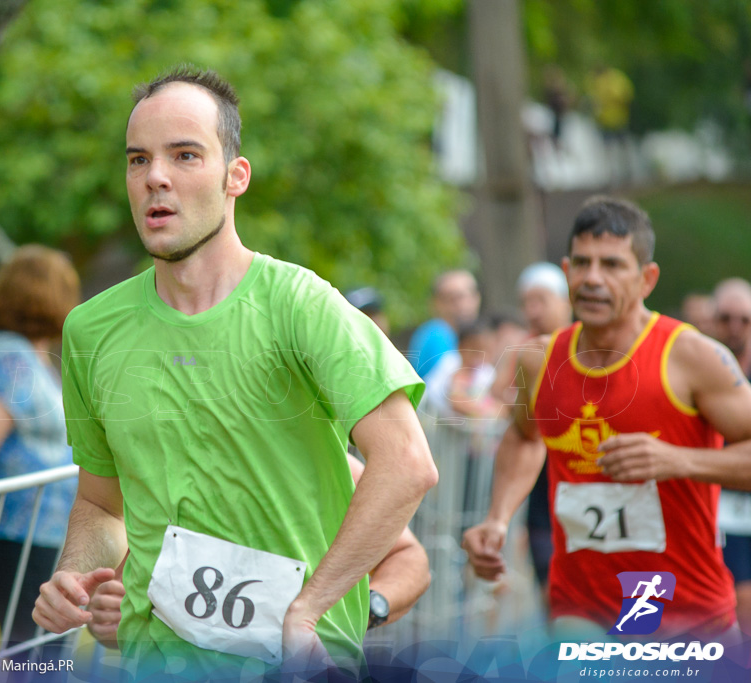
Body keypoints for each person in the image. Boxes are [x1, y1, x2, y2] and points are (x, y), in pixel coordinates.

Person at [32, 66, 437, 679]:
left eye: (185, 155)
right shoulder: (90, 330)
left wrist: (309, 610)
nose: (156, 178)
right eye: (138, 160)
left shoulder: (301, 305)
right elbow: (99, 504)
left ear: (234, 176)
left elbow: (407, 462)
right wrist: (72, 574)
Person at [462, 196, 751, 640]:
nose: (593, 279)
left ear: (646, 278)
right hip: (581, 612)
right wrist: (498, 517)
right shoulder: (537, 359)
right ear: (566, 271)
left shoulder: (691, 356)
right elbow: (524, 438)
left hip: (690, 617)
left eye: (612, 265)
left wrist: (679, 460)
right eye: (582, 263)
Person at [83, 454, 432, 650]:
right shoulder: (163, 467)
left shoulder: (326, 464)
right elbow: (118, 604)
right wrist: (111, 616)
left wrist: (366, 608)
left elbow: (408, 556)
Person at [0, 245, 81, 646]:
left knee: (41, 650)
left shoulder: (25, 355)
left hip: (35, 533)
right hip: (13, 532)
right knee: (38, 653)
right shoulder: (11, 357)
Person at [514, 262, 573, 601]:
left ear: (565, 301)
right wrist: (499, 515)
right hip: (544, 505)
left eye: (542, 300)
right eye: (527, 302)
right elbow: (521, 431)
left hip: (600, 502)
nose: (533, 310)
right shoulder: (527, 353)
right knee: (556, 606)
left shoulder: (599, 349)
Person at [711, 278, 751, 634]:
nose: (735, 327)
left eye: (744, 319)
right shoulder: (700, 374)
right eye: (726, 318)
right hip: (716, 506)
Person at [406, 269, 480, 380]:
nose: (460, 305)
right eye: (451, 298)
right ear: (436, 303)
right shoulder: (437, 334)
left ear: (477, 298)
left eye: (463, 296)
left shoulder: (471, 335)